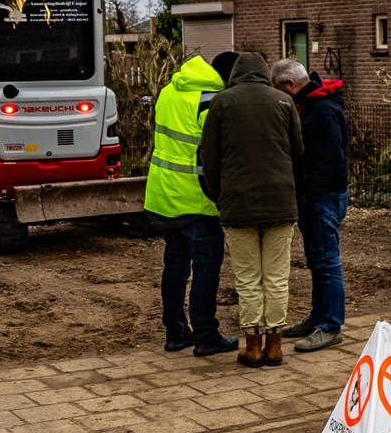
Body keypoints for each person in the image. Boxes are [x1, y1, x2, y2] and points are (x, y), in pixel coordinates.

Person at [199, 51, 303, 368]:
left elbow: (209, 159)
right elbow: (298, 153)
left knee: (247, 279)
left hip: (237, 205)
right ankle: (275, 347)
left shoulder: (221, 103)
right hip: (280, 205)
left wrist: (221, 196)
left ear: (234, 76)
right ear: (264, 73)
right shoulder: (283, 102)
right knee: (276, 278)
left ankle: (252, 348)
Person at [144, 51, 239, 356]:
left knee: (175, 266)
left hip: (163, 196)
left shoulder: (170, 90)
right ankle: (206, 336)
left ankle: (175, 332)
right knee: (205, 269)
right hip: (197, 201)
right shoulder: (212, 102)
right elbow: (217, 153)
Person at [271, 58, 350, 353]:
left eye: (280, 89)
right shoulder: (317, 105)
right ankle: (319, 317)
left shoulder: (321, 110)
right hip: (320, 196)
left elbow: (330, 161)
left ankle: (330, 325)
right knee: (318, 259)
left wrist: (308, 194)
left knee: (327, 261)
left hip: (322, 198)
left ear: (291, 85)